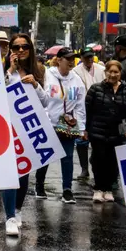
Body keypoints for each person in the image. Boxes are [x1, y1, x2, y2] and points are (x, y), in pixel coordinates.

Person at [2, 34, 47, 236]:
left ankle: (18, 210)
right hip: (6, 127)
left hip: (27, 127)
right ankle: (9, 216)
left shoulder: (38, 70)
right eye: (16, 47)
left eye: (24, 47)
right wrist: (10, 70)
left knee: (23, 172)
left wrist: (35, 85)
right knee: (10, 173)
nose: (20, 50)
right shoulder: (4, 70)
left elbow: (46, 102)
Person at [35, 48, 86, 204]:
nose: (71, 61)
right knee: (46, 156)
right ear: (59, 60)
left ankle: (67, 190)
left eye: (73, 59)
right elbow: (42, 99)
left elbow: (80, 105)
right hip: (49, 123)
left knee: (68, 157)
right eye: (68, 58)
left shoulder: (76, 80)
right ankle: (39, 186)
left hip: (67, 125)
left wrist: (82, 127)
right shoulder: (47, 75)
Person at [85, 60, 126, 203]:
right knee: (98, 161)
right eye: (110, 71)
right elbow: (87, 111)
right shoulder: (95, 89)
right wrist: (85, 129)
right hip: (97, 132)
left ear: (121, 74)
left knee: (112, 162)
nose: (113, 75)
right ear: (105, 72)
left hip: (118, 133)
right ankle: (98, 189)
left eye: (116, 72)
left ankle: (108, 189)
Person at [72, 47, 105, 180]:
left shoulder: (101, 70)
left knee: (98, 140)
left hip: (99, 110)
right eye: (86, 57)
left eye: (91, 56)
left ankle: (96, 165)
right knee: (81, 140)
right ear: (81, 58)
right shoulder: (75, 71)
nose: (89, 59)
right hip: (82, 109)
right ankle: (84, 169)